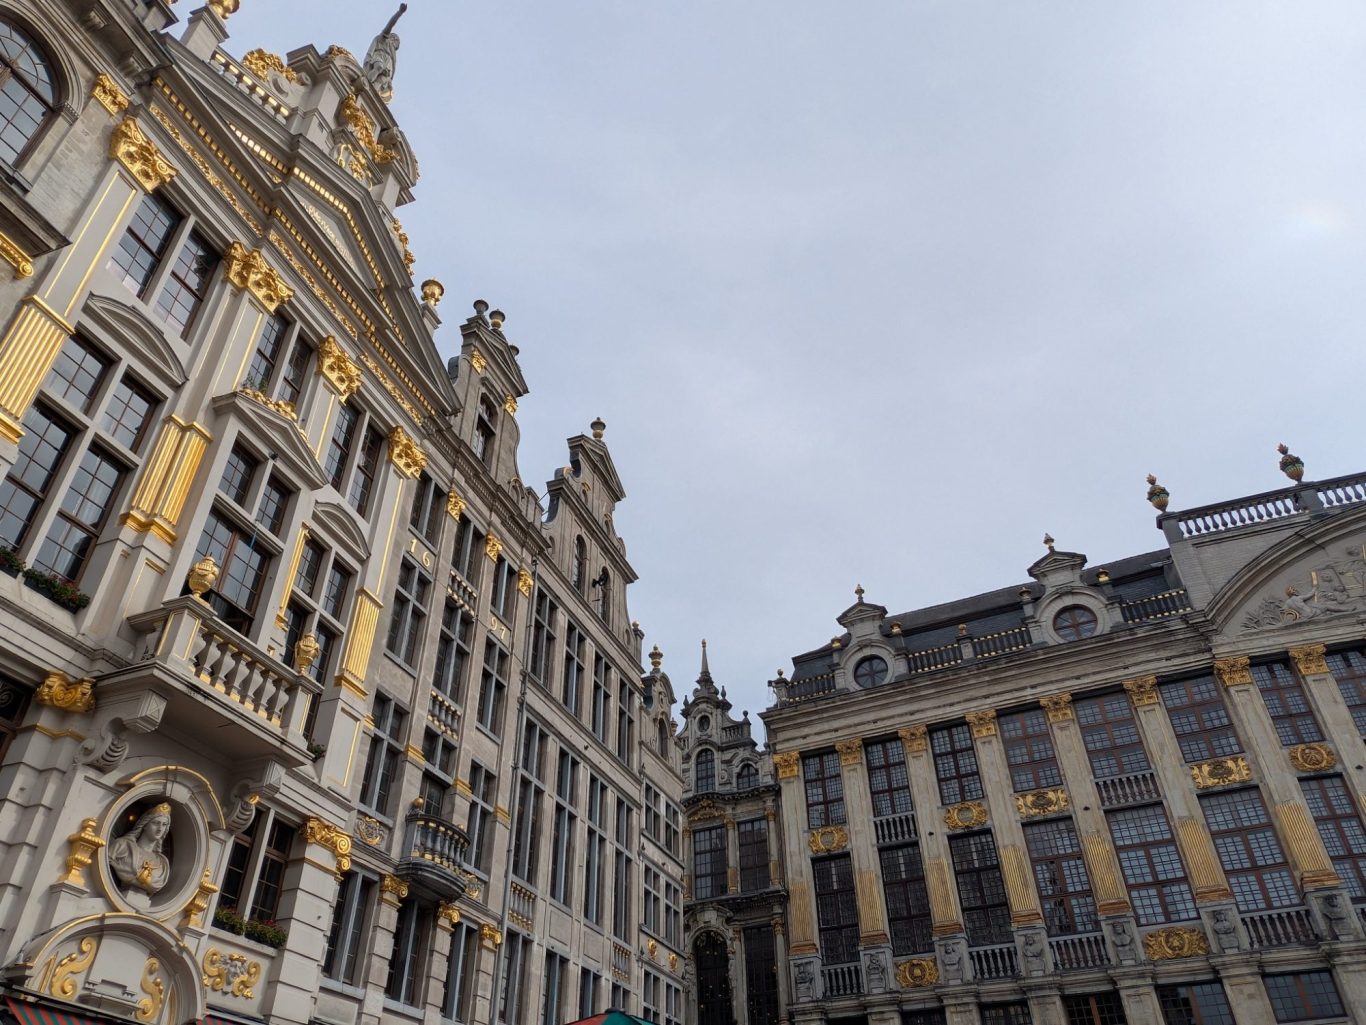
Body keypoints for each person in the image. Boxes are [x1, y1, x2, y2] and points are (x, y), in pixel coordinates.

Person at [109, 802, 172, 895]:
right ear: (145, 824)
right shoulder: (123, 846)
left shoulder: (163, 863)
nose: (160, 829)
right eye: (156, 823)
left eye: (164, 825)